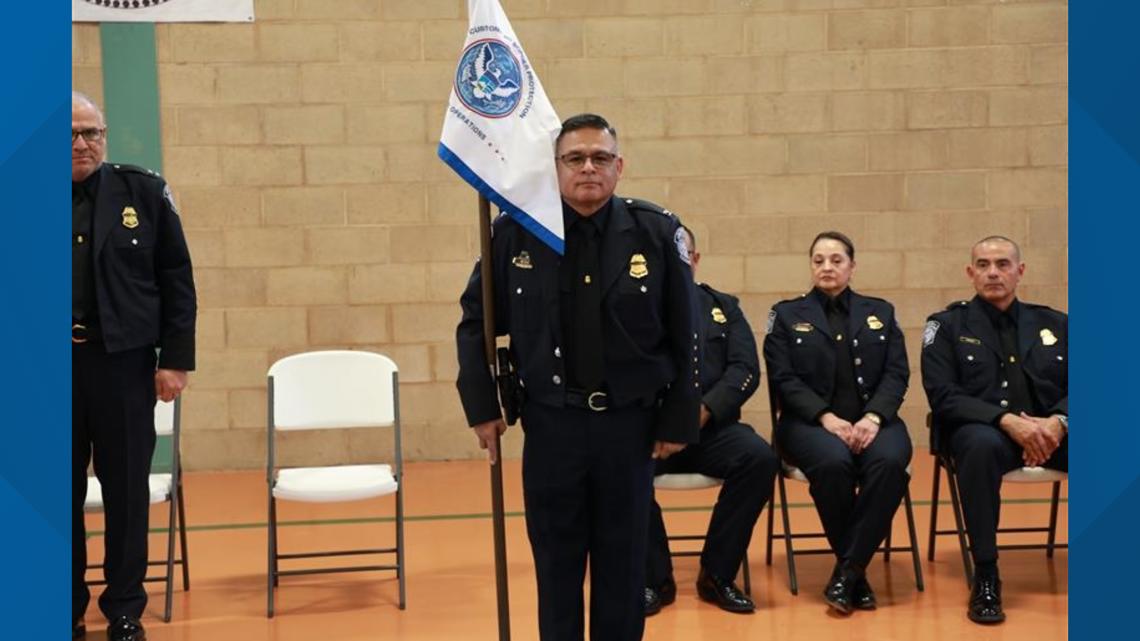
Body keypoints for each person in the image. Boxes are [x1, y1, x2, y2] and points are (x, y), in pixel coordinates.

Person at [455, 113, 700, 641]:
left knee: (623, 565)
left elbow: (687, 334)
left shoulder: (656, 233)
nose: (588, 168)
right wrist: (483, 409)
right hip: (551, 426)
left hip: (628, 428)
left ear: (619, 166)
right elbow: (476, 321)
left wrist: (678, 418)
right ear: (557, 166)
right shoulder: (514, 232)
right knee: (556, 566)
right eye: (575, 158)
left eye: (600, 158)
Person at [72, 92, 197, 641]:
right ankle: (63, 605)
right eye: (71, 135)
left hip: (121, 365)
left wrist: (174, 360)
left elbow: (177, 280)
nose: (82, 144)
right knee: (54, 493)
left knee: (125, 489)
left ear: (105, 135)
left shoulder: (142, 192)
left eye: (91, 133)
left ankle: (124, 607)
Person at [762, 231, 912, 615]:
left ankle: (849, 571)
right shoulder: (786, 315)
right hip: (808, 425)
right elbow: (783, 378)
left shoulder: (881, 312)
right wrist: (825, 417)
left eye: (836, 260)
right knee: (833, 464)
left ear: (852, 266)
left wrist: (874, 417)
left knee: (890, 463)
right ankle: (856, 574)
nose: (826, 267)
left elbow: (896, 373)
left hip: (876, 422)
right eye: (818, 260)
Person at [920, 236, 1067, 625]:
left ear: (1020, 271)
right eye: (983, 265)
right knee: (978, 446)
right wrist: (1007, 421)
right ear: (971, 274)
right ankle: (986, 573)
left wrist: (1058, 421)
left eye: (1002, 264)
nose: (993, 273)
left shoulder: (1056, 323)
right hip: (986, 433)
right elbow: (942, 395)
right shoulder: (946, 326)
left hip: (1052, 431)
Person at [643, 226, 778, 616]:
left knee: (759, 459)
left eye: (685, 257)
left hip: (710, 429)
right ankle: (654, 578)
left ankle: (717, 574)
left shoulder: (724, 307)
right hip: (652, 433)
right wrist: (666, 422)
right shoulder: (635, 309)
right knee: (621, 467)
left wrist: (696, 415)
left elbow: (744, 369)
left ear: (695, 260)